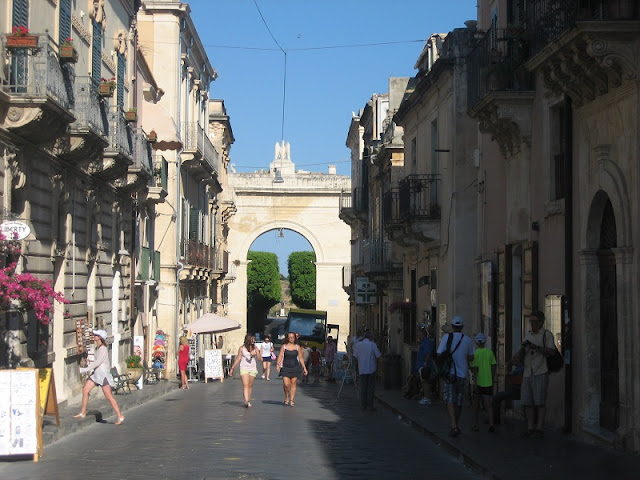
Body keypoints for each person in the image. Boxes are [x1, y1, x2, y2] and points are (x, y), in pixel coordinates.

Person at [507, 310, 556, 438]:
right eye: (531, 321)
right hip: (528, 372)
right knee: (527, 401)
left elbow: (552, 352)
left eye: (534, 321)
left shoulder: (546, 335)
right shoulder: (528, 335)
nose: (532, 324)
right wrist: (517, 356)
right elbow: (522, 352)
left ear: (541, 322)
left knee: (539, 401)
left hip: (540, 370)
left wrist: (537, 348)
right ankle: (530, 427)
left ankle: (539, 428)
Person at [73, 329, 125, 425]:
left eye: (96, 335)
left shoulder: (103, 349)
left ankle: (120, 415)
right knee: (85, 390)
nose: (94, 336)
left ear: (100, 338)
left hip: (103, 376)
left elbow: (98, 362)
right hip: (96, 375)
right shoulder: (98, 348)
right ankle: (83, 412)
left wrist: (85, 369)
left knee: (109, 396)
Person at [437, 316, 475, 437]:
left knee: (450, 400)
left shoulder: (446, 337)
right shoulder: (468, 340)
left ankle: (453, 425)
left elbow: (439, 353)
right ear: (462, 327)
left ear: (452, 327)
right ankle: (456, 424)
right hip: (462, 374)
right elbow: (471, 357)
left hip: (450, 374)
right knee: (459, 402)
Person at [470, 333, 496, 433]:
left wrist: (475, 382)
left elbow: (475, 369)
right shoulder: (490, 352)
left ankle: (475, 424)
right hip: (488, 382)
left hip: (479, 382)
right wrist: (492, 378)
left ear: (476, 342)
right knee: (488, 404)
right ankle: (491, 424)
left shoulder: (475, 354)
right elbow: (494, 366)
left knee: (476, 405)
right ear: (484, 341)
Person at [276, 332, 307, 406]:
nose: (291, 338)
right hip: (285, 367)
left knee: (293, 383)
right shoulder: (284, 346)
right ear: (287, 338)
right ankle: (287, 396)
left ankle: (292, 400)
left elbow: (300, 357)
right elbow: (280, 355)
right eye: (290, 337)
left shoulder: (297, 347)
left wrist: (304, 368)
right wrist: (278, 364)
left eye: (293, 337)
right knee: (286, 384)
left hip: (295, 367)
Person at [229, 334, 260, 408]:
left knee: (250, 385)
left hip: (252, 368)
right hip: (244, 368)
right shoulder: (241, 348)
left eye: (254, 339)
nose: (253, 341)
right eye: (252, 339)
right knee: (245, 384)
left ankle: (248, 399)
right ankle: (246, 401)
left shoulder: (255, 348)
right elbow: (238, 358)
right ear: (248, 340)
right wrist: (232, 368)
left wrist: (258, 352)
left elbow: (259, 359)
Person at [353, 331, 381, 411]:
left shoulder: (358, 345)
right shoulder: (372, 344)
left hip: (362, 368)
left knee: (363, 387)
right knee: (371, 388)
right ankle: (370, 404)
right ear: (370, 337)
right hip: (371, 368)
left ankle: (363, 404)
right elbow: (378, 355)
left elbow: (355, 356)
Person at [417, 325, 436, 405]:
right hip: (421, 364)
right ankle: (425, 396)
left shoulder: (426, 342)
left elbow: (428, 353)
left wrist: (425, 363)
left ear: (423, 335)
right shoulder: (423, 342)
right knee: (423, 382)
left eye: (419, 335)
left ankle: (427, 398)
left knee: (425, 382)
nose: (418, 336)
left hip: (425, 365)